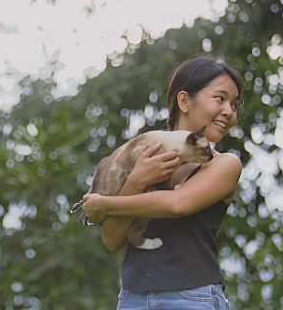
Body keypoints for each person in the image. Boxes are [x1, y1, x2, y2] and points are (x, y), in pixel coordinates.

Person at [81, 56, 243, 310]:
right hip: (132, 299)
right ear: (184, 101)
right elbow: (112, 241)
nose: (229, 112)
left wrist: (105, 204)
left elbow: (176, 204)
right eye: (220, 99)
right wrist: (136, 180)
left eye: (234, 105)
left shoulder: (224, 165)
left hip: (192, 299)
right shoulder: (140, 160)